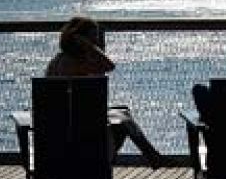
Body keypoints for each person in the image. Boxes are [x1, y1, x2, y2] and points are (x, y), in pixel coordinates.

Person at [44, 15, 165, 166]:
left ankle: (152, 155)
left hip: (62, 123)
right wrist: (89, 47)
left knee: (123, 112)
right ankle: (106, 164)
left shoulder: (57, 60)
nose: (96, 42)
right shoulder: (75, 63)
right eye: (93, 38)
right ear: (81, 39)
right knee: (124, 119)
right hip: (80, 124)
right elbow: (109, 66)